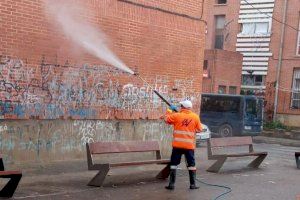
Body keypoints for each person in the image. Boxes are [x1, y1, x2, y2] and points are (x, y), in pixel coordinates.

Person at [163, 100, 202, 190]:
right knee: (191, 165)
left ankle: (171, 185)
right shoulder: (195, 117)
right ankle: (193, 185)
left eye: (181, 106)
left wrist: (169, 111)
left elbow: (166, 120)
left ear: (183, 107)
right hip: (189, 146)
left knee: (173, 164)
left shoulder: (176, 116)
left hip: (177, 146)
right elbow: (199, 129)